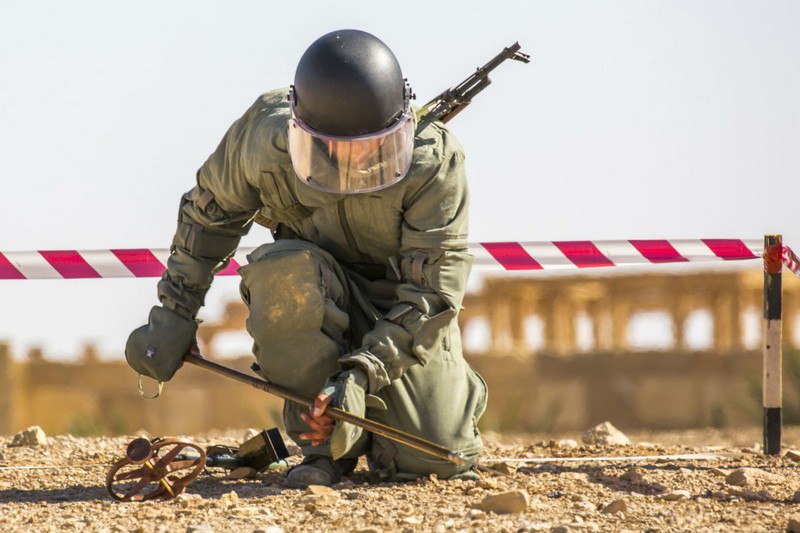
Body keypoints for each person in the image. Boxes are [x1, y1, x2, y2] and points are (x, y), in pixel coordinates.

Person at [125, 29, 487, 487]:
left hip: (399, 308)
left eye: (370, 150)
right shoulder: (262, 139)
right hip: (310, 287)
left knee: (438, 458)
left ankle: (378, 417)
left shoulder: (433, 163)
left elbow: (432, 293)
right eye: (335, 151)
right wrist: (174, 314)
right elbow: (208, 218)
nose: (353, 164)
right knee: (282, 272)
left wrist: (361, 375)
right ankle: (322, 449)